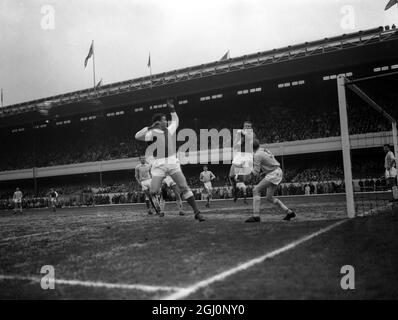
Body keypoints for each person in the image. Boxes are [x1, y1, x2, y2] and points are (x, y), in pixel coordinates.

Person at [135, 99, 205, 221]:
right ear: (158, 122)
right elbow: (137, 136)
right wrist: (150, 127)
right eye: (163, 119)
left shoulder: (170, 129)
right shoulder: (151, 133)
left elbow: (176, 121)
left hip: (172, 162)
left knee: (184, 187)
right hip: (159, 165)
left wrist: (172, 109)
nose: (166, 121)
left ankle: (197, 212)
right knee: (153, 191)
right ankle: (163, 190)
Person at [245, 139, 296, 223]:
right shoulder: (263, 149)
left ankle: (256, 216)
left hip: (273, 173)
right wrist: (265, 171)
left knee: (256, 190)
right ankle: (289, 212)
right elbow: (269, 162)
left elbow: (255, 173)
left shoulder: (257, 155)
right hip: (276, 171)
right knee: (269, 197)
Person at [229, 120, 255, 201]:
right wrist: (237, 137)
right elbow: (236, 147)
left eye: (248, 126)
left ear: (251, 128)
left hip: (247, 156)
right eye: (245, 126)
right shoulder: (242, 136)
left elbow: (249, 137)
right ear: (243, 127)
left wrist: (241, 132)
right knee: (231, 175)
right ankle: (235, 189)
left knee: (246, 179)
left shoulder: (252, 134)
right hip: (239, 155)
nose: (247, 127)